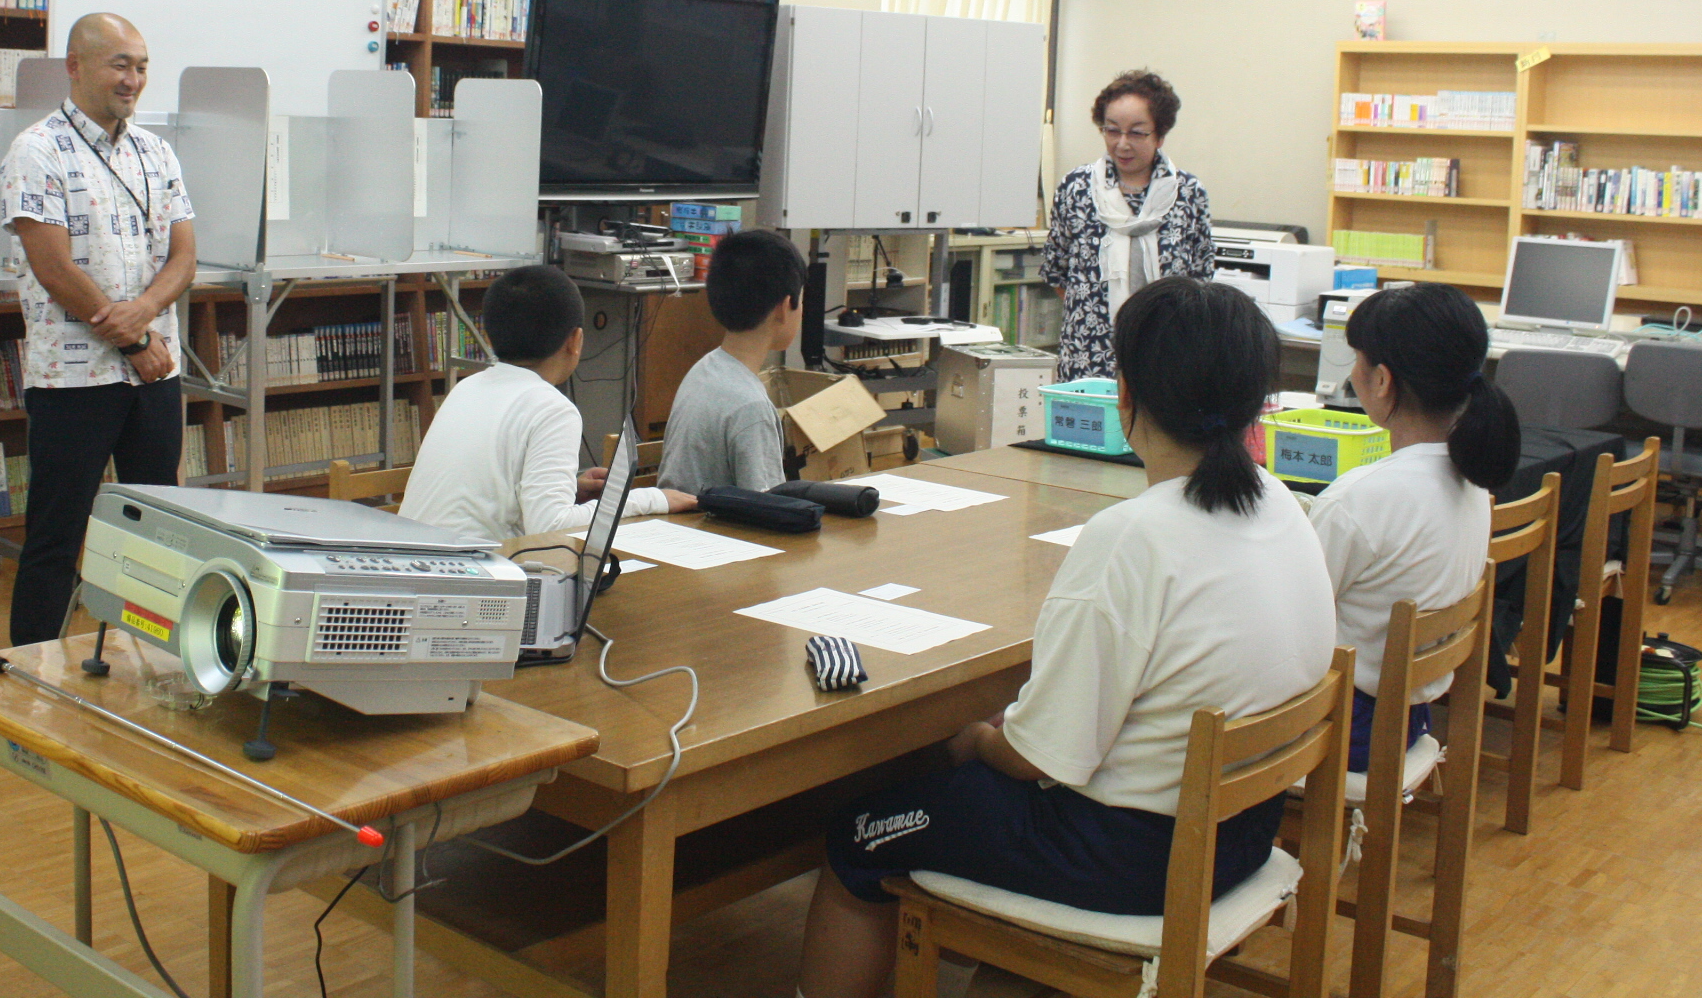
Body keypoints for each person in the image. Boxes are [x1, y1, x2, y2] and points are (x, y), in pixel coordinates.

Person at [796, 277, 1336, 998]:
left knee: (857, 830)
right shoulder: (1284, 506)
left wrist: (975, 739)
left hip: (1131, 858)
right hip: (1240, 835)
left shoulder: (1134, 536)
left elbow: (1035, 758)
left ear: (1126, 396)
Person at [1, 12, 196, 647]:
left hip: (155, 374)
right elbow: (53, 267)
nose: (132, 79)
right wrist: (134, 336)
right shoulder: (37, 149)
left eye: (140, 66)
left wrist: (145, 313)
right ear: (76, 66)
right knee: (56, 539)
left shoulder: (157, 151)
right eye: (119, 65)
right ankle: (29, 676)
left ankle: (150, 663)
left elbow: (184, 257)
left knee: (158, 533)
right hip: (73, 379)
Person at [1307, 283, 1519, 771]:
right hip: (1409, 715)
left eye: (1357, 361)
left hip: (1345, 723)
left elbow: (1292, 618)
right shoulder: (1471, 477)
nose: (1352, 374)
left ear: (1382, 380)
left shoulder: (1360, 498)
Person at [399, 265, 697, 545]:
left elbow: (485, 490)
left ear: (487, 337)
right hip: (472, 571)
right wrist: (651, 499)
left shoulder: (466, 388)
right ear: (575, 341)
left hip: (411, 561)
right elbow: (550, 527)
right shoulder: (553, 409)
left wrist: (569, 488)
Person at [1041, 69, 1213, 382]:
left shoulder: (1188, 193)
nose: (1122, 144)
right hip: (1088, 352)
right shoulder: (1076, 188)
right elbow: (1057, 270)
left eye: (1137, 133)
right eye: (1112, 131)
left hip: (1166, 351)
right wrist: (1095, 315)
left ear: (1160, 135)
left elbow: (1200, 278)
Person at [657, 230, 806, 497]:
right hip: (707, 524)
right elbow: (767, 510)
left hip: (675, 518)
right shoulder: (752, 408)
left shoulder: (704, 369)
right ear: (784, 308)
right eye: (801, 301)